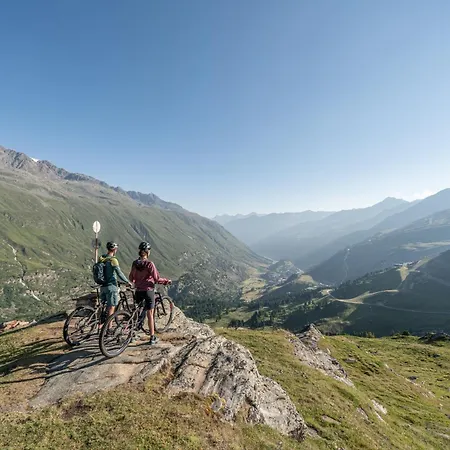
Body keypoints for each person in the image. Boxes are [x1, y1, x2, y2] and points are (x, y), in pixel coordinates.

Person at [128, 241, 171, 345]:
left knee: (137, 312)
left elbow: (131, 278)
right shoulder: (149, 264)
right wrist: (166, 281)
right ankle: (152, 338)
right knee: (150, 313)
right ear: (147, 252)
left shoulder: (135, 263)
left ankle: (132, 334)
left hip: (138, 291)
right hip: (148, 291)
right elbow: (156, 279)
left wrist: (137, 281)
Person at [98, 242, 131, 322]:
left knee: (102, 307)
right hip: (111, 286)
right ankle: (109, 327)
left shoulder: (102, 258)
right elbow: (119, 273)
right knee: (111, 307)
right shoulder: (113, 260)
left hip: (102, 286)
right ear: (115, 250)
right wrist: (127, 282)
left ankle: (99, 326)